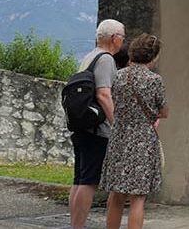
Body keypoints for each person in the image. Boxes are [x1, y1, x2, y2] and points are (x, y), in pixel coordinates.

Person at [101, 33, 168, 229]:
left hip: (119, 137)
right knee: (138, 198)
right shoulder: (154, 80)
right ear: (153, 56)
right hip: (142, 141)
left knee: (116, 194)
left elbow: (114, 101)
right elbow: (164, 111)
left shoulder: (119, 75)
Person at [69, 19, 125, 229]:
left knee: (79, 180)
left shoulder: (88, 57)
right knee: (89, 182)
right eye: (122, 36)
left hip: (81, 127)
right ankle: (78, 226)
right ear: (114, 38)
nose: (122, 41)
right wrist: (116, 125)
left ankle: (75, 224)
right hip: (96, 129)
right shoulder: (105, 60)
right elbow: (104, 94)